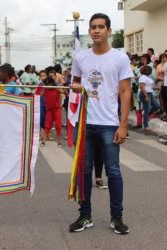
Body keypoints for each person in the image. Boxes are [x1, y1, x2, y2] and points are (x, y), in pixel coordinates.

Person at [70, 13, 133, 235]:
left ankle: (117, 217)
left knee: (113, 172)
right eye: (93, 27)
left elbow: (126, 92)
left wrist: (123, 124)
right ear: (89, 31)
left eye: (101, 27)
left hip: (109, 124)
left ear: (109, 31)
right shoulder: (80, 58)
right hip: (85, 123)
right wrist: (76, 86)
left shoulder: (120, 58)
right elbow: (75, 82)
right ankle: (85, 215)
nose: (96, 30)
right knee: (84, 172)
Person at [40, 76, 63, 148]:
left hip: (57, 109)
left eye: (48, 84)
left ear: (52, 83)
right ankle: (43, 141)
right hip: (49, 110)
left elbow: (65, 92)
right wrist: (43, 88)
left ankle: (59, 142)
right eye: (46, 84)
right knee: (47, 126)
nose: (48, 86)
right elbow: (40, 95)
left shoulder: (57, 89)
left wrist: (61, 87)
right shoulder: (45, 90)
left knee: (58, 126)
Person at [139, 65, 160, 132]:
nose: (151, 71)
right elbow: (142, 87)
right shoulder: (142, 77)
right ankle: (146, 126)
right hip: (145, 94)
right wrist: (146, 96)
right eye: (150, 70)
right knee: (147, 109)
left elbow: (150, 86)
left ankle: (146, 114)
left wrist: (156, 88)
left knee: (157, 106)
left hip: (150, 93)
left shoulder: (148, 77)